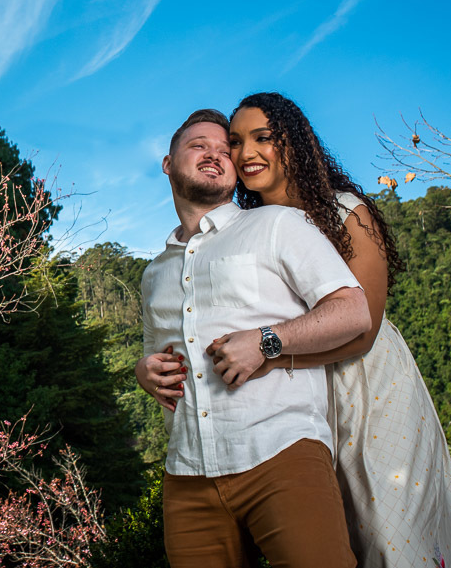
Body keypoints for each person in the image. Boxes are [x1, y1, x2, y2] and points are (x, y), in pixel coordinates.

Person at [226, 91, 451, 568]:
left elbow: (364, 331)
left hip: (369, 385)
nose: (246, 153)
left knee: (389, 532)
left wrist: (268, 352)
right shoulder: (243, 231)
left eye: (262, 138)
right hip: (290, 402)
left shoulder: (345, 211)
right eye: (235, 142)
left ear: (293, 144)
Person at [136, 108, 371, 568]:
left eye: (225, 150)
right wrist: (144, 371)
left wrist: (267, 340)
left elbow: (353, 311)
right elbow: (153, 355)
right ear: (168, 163)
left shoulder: (277, 225)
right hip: (186, 474)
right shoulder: (153, 274)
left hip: (281, 452)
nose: (215, 155)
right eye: (199, 145)